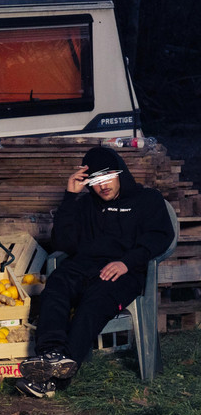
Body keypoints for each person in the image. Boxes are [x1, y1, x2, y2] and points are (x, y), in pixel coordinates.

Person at [16, 146, 174, 398]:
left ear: (119, 173)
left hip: (124, 272)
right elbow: (63, 243)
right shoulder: (85, 205)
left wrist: (127, 262)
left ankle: (52, 380)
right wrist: (70, 197)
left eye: (107, 176)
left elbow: (160, 237)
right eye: (95, 180)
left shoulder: (147, 200)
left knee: (94, 302)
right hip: (83, 267)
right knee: (56, 285)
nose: (103, 185)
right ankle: (51, 354)